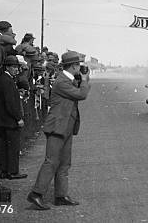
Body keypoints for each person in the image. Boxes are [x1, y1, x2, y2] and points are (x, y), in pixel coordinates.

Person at [27, 51, 90, 210]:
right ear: (74, 66)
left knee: (64, 163)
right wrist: (84, 79)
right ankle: (36, 193)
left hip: (66, 126)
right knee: (52, 161)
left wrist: (80, 79)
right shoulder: (62, 82)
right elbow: (81, 94)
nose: (80, 68)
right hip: (57, 126)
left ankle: (61, 196)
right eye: (78, 66)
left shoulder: (67, 80)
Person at [0, 55, 27, 179]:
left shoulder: (3, 78)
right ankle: (13, 171)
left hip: (3, 119)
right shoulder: (7, 80)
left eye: (17, 67)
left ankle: (4, 170)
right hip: (10, 120)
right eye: (14, 67)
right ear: (7, 67)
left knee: (5, 146)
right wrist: (18, 118)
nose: (16, 69)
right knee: (13, 147)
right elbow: (10, 102)